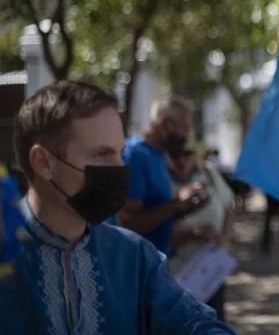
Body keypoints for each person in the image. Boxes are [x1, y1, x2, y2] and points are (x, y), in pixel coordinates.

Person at [1, 80, 232, 334]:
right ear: (43, 162)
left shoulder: (135, 256)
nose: (120, 169)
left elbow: (194, 323)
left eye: (120, 154)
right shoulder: (7, 261)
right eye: (102, 154)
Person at [119, 97, 208, 255]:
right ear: (166, 124)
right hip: (139, 267)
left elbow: (157, 213)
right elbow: (128, 224)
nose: (186, 137)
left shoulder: (160, 155)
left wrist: (186, 209)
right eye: (185, 129)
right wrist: (177, 202)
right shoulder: (135, 155)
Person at [168, 143, 236, 321]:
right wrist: (191, 234)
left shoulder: (208, 175)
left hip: (211, 268)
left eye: (187, 153)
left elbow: (230, 207)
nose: (182, 160)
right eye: (175, 154)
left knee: (214, 322)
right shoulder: (162, 182)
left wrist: (223, 239)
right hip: (177, 273)